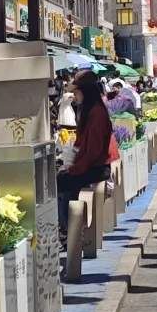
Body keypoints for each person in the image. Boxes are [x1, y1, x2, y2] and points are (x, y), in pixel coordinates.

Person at [57, 70, 117, 232]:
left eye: (76, 92)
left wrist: (74, 169)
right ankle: (66, 226)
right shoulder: (88, 110)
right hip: (91, 164)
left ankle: (68, 229)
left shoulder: (96, 113)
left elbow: (93, 151)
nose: (74, 97)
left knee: (64, 185)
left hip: (97, 167)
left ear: (85, 92)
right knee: (62, 180)